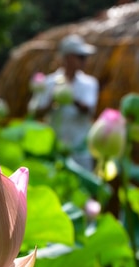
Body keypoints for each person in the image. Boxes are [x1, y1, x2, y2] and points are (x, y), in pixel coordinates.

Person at [28, 34, 99, 169]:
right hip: (54, 150)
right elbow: (34, 113)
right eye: (81, 57)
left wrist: (70, 97)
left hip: (80, 149)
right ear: (68, 58)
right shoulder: (49, 82)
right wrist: (51, 101)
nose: (84, 61)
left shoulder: (90, 83)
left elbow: (89, 110)